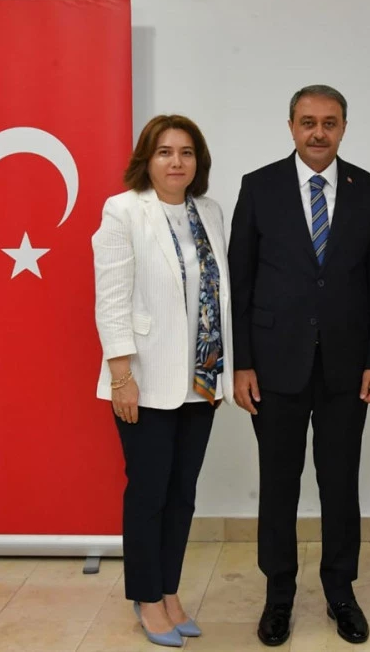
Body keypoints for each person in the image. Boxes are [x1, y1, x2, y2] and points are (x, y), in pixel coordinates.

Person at [228, 84, 370, 647]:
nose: (318, 132)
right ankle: (278, 595)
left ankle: (340, 592)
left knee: (339, 482)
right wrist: (242, 364)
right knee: (278, 483)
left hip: (347, 367)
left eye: (329, 122)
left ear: (343, 127)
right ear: (291, 126)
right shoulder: (259, 186)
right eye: (308, 122)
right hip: (274, 366)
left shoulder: (368, 189)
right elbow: (240, 282)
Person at [92, 114, 232, 647]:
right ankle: (147, 598)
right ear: (147, 160)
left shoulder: (209, 212)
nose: (177, 162)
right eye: (165, 152)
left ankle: (170, 592)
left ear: (198, 162)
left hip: (200, 380)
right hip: (144, 380)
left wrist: (219, 374)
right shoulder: (123, 210)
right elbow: (111, 298)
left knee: (183, 494)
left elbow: (216, 296)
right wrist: (121, 375)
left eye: (186, 153)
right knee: (149, 491)